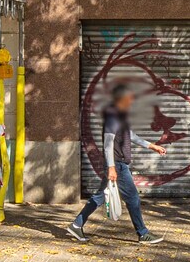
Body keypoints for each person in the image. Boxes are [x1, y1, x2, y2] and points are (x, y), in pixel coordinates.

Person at [67, 82, 167, 245]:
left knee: (99, 197)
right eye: (129, 98)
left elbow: (131, 136)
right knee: (133, 198)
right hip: (118, 165)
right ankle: (143, 233)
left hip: (118, 164)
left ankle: (76, 225)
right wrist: (112, 167)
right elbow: (108, 143)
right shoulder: (113, 116)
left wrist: (152, 146)